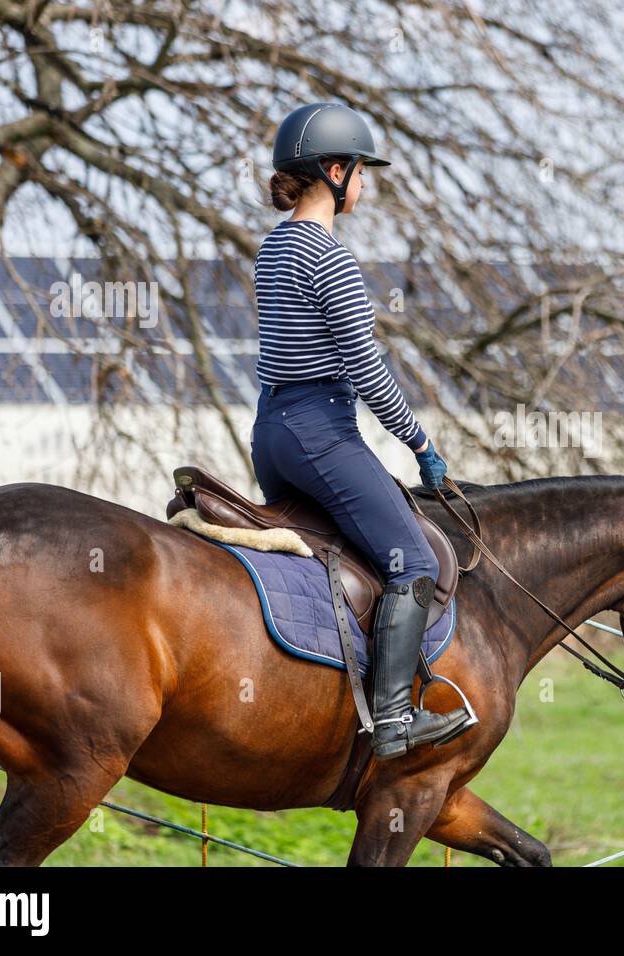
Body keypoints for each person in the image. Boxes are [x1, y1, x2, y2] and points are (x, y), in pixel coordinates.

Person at [250, 102, 470, 759]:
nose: (367, 186)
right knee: (415, 562)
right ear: (335, 170)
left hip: (271, 433)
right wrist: (422, 446)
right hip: (320, 431)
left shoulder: (272, 248)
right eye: (363, 172)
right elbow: (370, 378)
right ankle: (395, 718)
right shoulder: (330, 259)